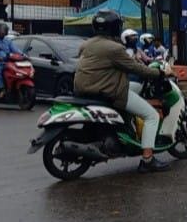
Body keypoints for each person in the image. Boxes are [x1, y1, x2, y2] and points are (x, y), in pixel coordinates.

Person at [74, 9, 173, 173]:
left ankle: (129, 129)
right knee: (152, 115)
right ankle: (148, 159)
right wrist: (160, 73)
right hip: (108, 91)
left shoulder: (86, 44)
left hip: (85, 90)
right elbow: (136, 68)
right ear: (115, 27)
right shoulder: (115, 49)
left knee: (135, 89)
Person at [0, 23, 21, 97]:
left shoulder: (7, 40)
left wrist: (23, 55)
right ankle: (1, 89)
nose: (4, 32)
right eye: (1, 30)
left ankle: (12, 88)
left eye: (4, 30)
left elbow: (15, 50)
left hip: (8, 62)